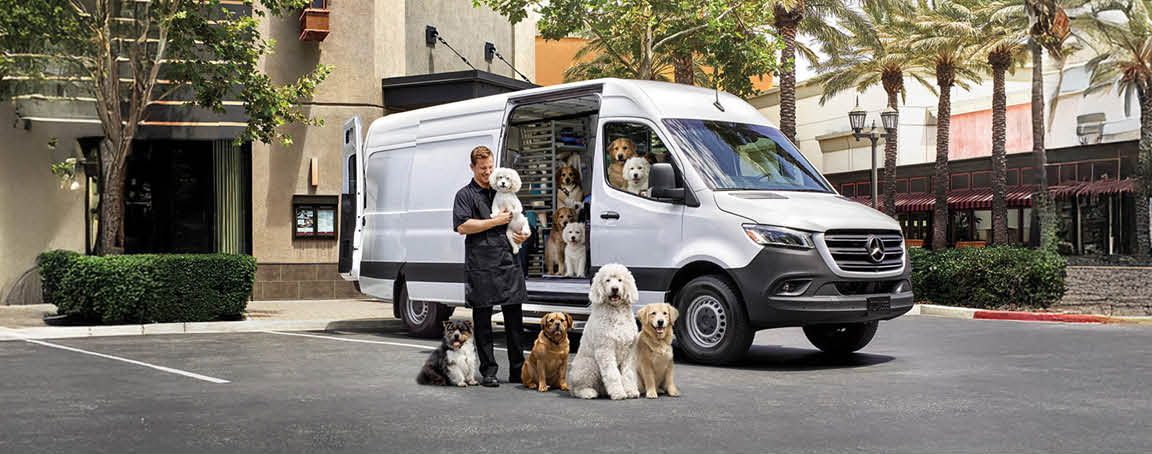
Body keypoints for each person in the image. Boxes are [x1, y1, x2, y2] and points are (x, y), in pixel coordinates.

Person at [452, 146, 531, 387]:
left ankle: (518, 370)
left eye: (490, 167)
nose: (487, 172)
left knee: (514, 321)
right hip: (482, 264)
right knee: (484, 321)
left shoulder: (502, 188)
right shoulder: (465, 195)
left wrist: (524, 235)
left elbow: (520, 219)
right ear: (472, 168)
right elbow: (462, 226)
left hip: (508, 261)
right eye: (482, 168)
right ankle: (489, 371)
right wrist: (493, 221)